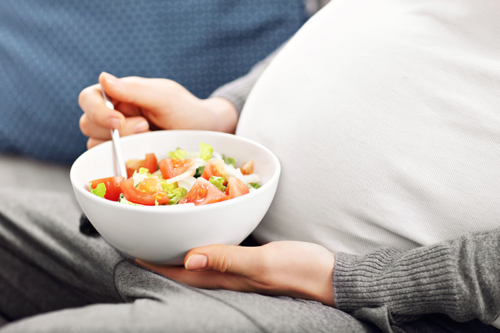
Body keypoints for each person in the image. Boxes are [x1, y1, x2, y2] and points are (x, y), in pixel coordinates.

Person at [1, 0, 500, 332]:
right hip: (189, 232)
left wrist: (353, 280)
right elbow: (351, 31)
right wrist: (221, 114)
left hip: (358, 305)